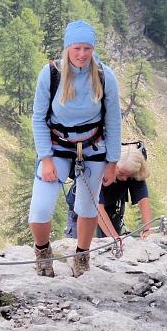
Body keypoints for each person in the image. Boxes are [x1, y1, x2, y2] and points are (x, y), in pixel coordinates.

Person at [28, 19, 121, 278]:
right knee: (40, 209)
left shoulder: (104, 75)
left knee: (87, 208)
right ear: (67, 48)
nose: (82, 55)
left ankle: (82, 255)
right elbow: (38, 117)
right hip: (57, 147)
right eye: (77, 48)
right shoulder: (51, 74)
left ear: (93, 49)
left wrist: (112, 162)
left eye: (87, 49)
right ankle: (43, 253)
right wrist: (45, 158)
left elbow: (113, 120)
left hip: (93, 147)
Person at [65, 142, 152, 239]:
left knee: (111, 247)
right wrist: (115, 238)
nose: (124, 179)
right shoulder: (97, 167)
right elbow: (98, 208)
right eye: (122, 173)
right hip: (82, 205)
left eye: (129, 176)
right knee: (77, 242)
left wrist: (147, 229)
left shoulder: (133, 169)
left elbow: (143, 199)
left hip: (112, 208)